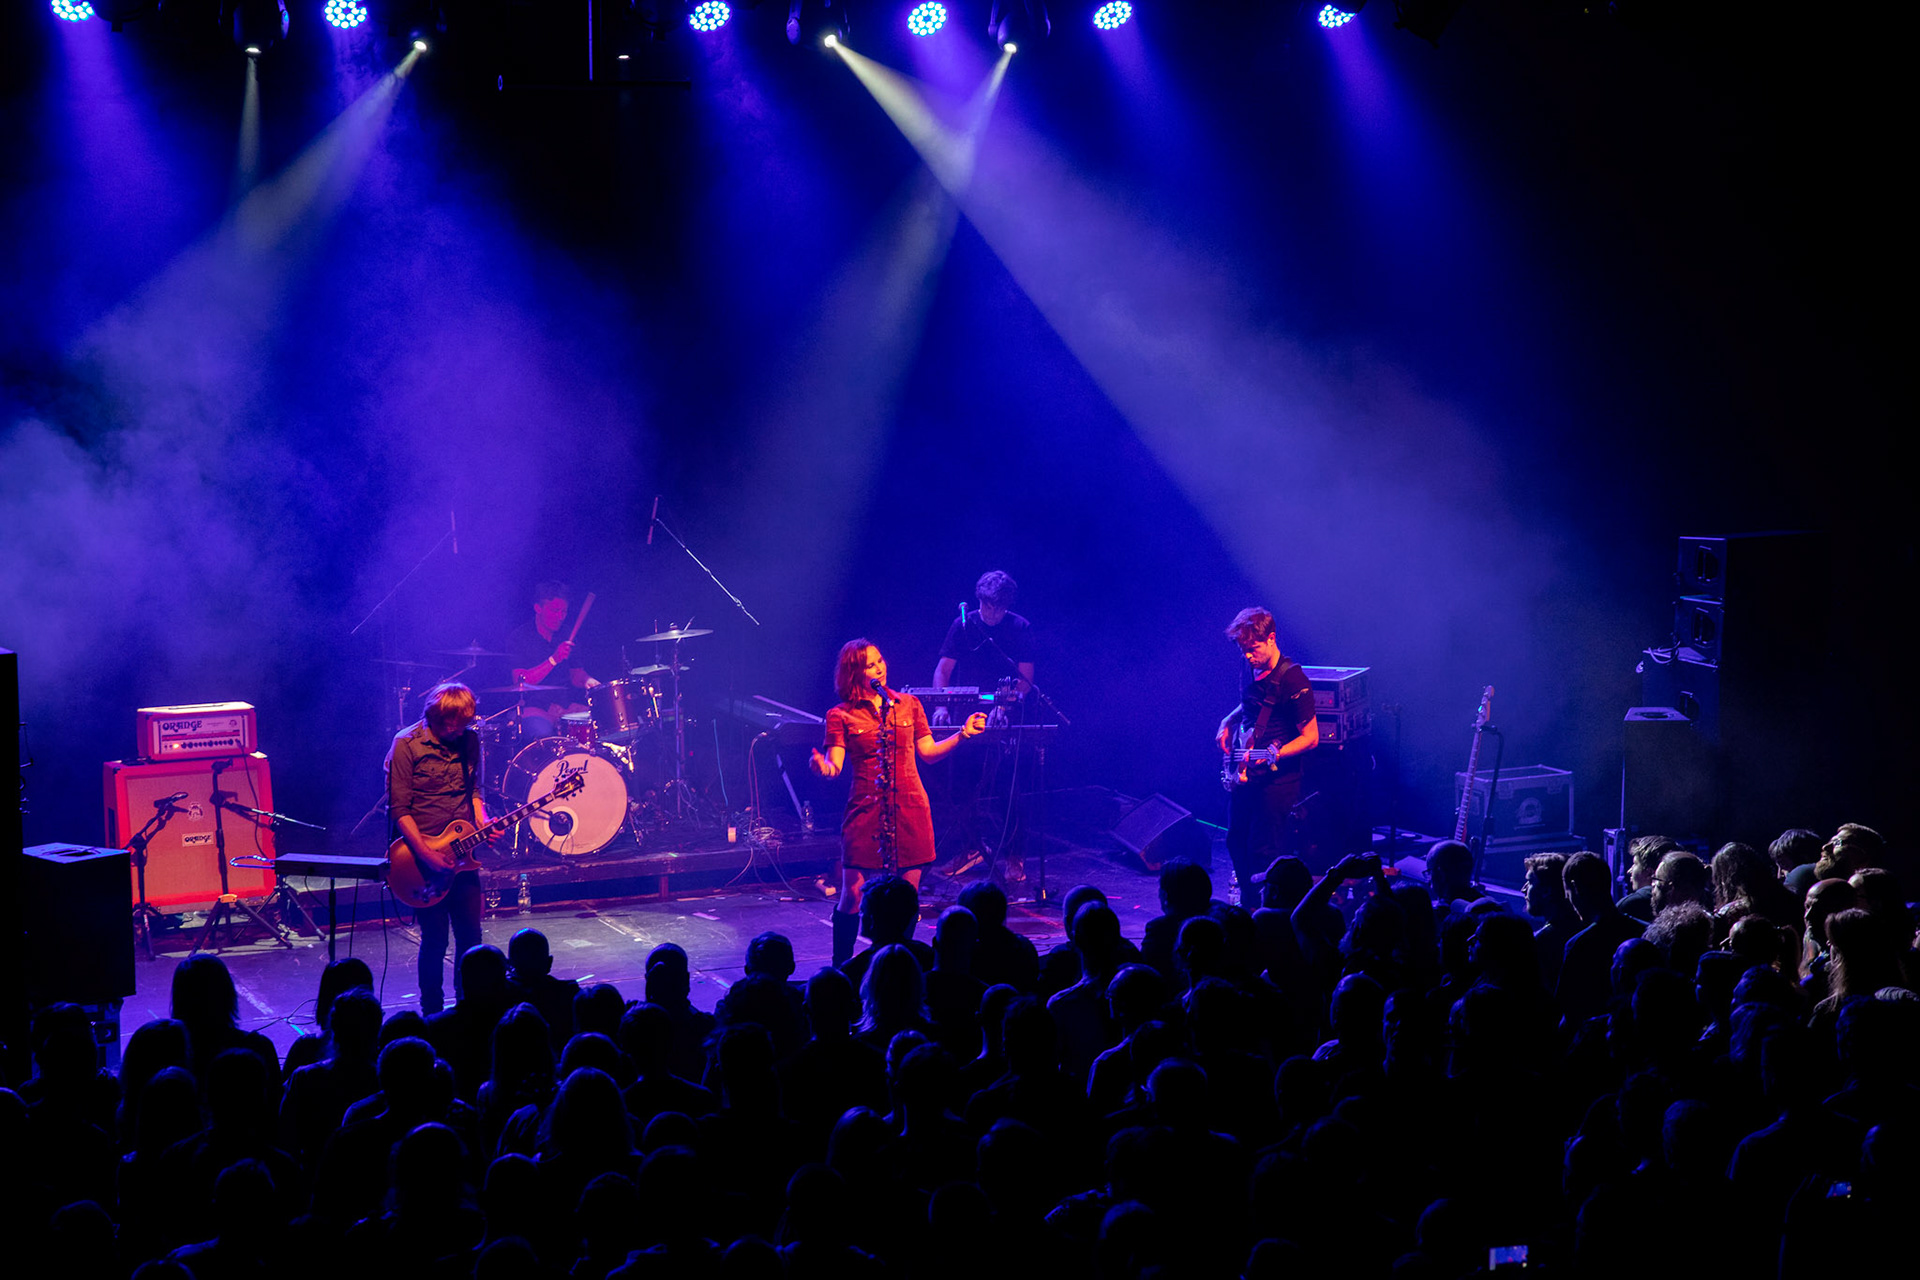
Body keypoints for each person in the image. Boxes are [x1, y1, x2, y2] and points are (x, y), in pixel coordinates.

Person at [811, 639, 987, 966]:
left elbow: (928, 753)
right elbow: (834, 765)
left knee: (908, 896)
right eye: (869, 665)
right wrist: (824, 767)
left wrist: (962, 734)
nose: (879, 668)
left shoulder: (908, 704)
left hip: (910, 807)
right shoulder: (840, 715)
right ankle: (842, 967)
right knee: (853, 893)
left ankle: (899, 966)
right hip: (866, 809)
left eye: (880, 661)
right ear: (854, 673)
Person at [386, 681, 497, 1014]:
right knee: (435, 940)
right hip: (420, 859)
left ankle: (470, 1009)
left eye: (462, 723)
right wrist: (428, 855)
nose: (454, 729)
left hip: (462, 855)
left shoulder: (470, 740)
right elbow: (400, 810)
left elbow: (474, 793)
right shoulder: (406, 743)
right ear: (434, 714)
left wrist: (483, 820)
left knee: (471, 939)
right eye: (449, 722)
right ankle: (432, 1012)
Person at [1216, 608, 1319, 907]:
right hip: (1248, 771)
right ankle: (1248, 904)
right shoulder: (1249, 666)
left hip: (1278, 779)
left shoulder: (1293, 680)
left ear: (1271, 639)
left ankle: (1266, 913)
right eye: (1243, 650)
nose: (1248, 657)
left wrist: (1275, 752)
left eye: (1253, 650)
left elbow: (1311, 737)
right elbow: (1250, 704)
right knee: (1235, 840)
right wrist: (1228, 721)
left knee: (1262, 850)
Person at [505, 580, 600, 740]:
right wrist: (553, 660)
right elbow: (520, 681)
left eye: (564, 612)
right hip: (532, 708)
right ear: (538, 608)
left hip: (564, 707)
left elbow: (576, 675)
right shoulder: (519, 638)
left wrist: (590, 682)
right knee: (543, 732)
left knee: (599, 723)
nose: (560, 617)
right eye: (555, 611)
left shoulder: (566, 633)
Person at [931, 570, 1036, 694]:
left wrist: (1001, 708)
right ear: (979, 600)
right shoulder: (962, 625)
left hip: (1007, 710)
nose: (992, 615)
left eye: (998, 610)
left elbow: (1025, 680)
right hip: (964, 710)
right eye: (988, 608)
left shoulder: (1020, 627)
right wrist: (941, 708)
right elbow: (943, 670)